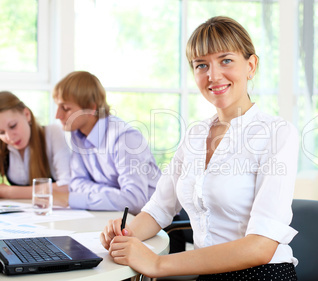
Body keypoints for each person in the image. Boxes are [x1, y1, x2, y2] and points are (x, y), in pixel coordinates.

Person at [100, 16, 299, 280]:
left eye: (226, 60)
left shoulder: (278, 133)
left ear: (251, 66)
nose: (213, 75)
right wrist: (126, 234)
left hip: (262, 274)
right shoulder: (195, 134)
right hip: (207, 274)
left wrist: (157, 264)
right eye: (201, 65)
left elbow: (261, 247)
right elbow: (159, 208)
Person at [52, 71, 160, 214]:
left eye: (65, 108)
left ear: (91, 108)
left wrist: (74, 198)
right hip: (115, 215)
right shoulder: (77, 134)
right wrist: (114, 194)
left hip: (157, 222)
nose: (57, 115)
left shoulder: (125, 138)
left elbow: (134, 201)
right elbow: (77, 183)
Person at [0, 91, 70, 201]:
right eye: (1, 132)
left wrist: (9, 192)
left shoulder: (52, 133)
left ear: (26, 114)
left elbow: (67, 186)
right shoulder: (2, 145)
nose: (9, 137)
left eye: (13, 126)